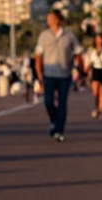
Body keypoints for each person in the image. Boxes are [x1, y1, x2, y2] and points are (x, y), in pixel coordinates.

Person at [35, 10, 82, 142]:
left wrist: (78, 68)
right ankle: (54, 121)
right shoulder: (43, 36)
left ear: (57, 19)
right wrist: (39, 74)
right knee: (48, 101)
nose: (47, 21)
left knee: (62, 103)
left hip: (65, 74)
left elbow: (78, 52)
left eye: (50, 18)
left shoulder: (69, 35)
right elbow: (38, 56)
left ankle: (59, 130)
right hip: (49, 74)